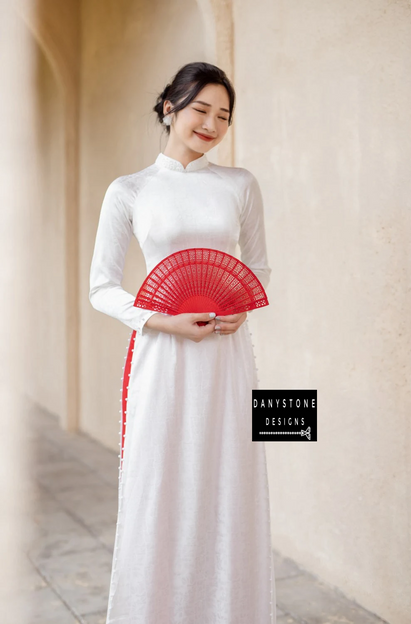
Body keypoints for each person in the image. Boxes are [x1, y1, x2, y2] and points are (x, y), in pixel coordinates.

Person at [89, 61, 276, 624]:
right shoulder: (130, 191)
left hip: (227, 357)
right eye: (201, 109)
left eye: (224, 115)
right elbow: (101, 286)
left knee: (230, 478)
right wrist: (157, 319)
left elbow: (260, 267)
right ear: (170, 107)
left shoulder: (239, 184)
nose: (213, 123)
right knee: (161, 484)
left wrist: (242, 305)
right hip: (162, 355)